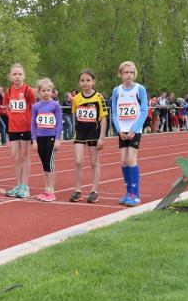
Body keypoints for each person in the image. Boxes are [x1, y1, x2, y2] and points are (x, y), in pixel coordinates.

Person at [112, 61, 148, 206]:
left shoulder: (140, 89)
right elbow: (114, 112)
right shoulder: (116, 90)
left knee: (132, 159)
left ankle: (135, 194)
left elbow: (144, 111)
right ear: (121, 74)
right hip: (122, 130)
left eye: (131, 72)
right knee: (123, 161)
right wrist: (118, 130)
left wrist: (134, 129)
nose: (129, 75)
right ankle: (128, 192)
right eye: (126, 72)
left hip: (135, 130)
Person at [69, 69, 107, 203]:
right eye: (82, 80)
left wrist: (101, 137)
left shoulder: (99, 97)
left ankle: (94, 191)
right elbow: (75, 116)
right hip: (80, 132)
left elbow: (103, 118)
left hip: (93, 133)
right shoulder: (76, 98)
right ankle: (78, 190)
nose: (85, 83)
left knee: (94, 162)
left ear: (93, 82)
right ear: (79, 82)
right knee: (78, 161)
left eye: (88, 80)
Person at [4, 63, 36, 199]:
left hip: (26, 128)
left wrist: (31, 123)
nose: (17, 77)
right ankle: (18, 185)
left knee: (25, 157)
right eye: (14, 74)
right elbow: (6, 106)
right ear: (11, 76)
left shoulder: (28, 90)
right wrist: (11, 116)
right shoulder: (8, 91)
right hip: (13, 128)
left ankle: (25, 186)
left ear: (24, 76)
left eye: (19, 74)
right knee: (15, 157)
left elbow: (34, 107)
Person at [30, 78, 62, 201]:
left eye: (48, 90)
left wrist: (57, 139)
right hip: (40, 138)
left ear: (52, 91)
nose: (46, 93)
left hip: (51, 137)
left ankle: (51, 190)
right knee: (44, 165)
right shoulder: (36, 106)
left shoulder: (55, 105)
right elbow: (33, 124)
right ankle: (46, 189)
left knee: (50, 164)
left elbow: (59, 122)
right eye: (43, 90)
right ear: (39, 92)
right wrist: (34, 141)